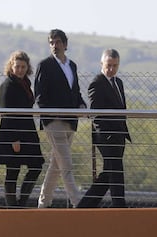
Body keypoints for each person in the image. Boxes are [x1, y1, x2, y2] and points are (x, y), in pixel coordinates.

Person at [34, 29, 86, 208]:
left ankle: (43, 203)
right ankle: (78, 203)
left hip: (71, 122)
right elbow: (39, 96)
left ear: (65, 44)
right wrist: (51, 113)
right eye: (51, 42)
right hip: (54, 123)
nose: (54, 46)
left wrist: (82, 105)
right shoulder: (45, 65)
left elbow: (76, 91)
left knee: (56, 165)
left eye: (57, 42)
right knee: (66, 164)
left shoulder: (72, 66)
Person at [77, 49, 131, 208]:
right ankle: (119, 205)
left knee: (109, 173)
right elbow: (95, 114)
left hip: (119, 135)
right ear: (102, 64)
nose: (111, 69)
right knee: (116, 169)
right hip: (106, 137)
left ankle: (85, 206)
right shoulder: (97, 83)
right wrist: (106, 135)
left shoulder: (118, 82)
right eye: (109, 65)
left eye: (115, 65)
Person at [0, 51, 44, 208]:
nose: (20, 70)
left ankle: (21, 202)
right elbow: (7, 114)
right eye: (17, 66)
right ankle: (12, 206)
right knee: (13, 170)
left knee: (36, 165)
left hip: (28, 131)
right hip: (13, 133)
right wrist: (14, 139)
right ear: (11, 66)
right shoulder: (7, 86)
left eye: (23, 67)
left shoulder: (25, 83)